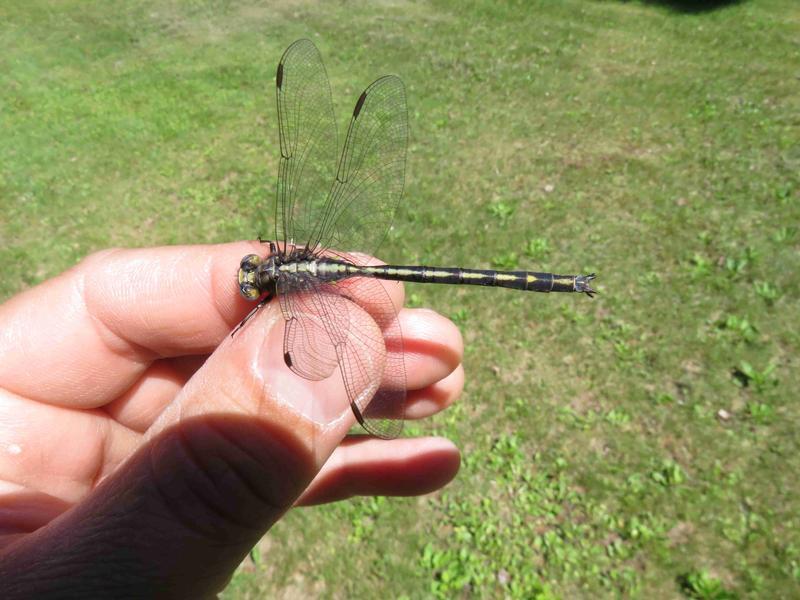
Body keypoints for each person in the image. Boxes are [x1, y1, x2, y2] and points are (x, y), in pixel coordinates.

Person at [0, 242, 463, 598]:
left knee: (299, 371)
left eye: (254, 279)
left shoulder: (288, 295)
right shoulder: (288, 274)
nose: (249, 280)